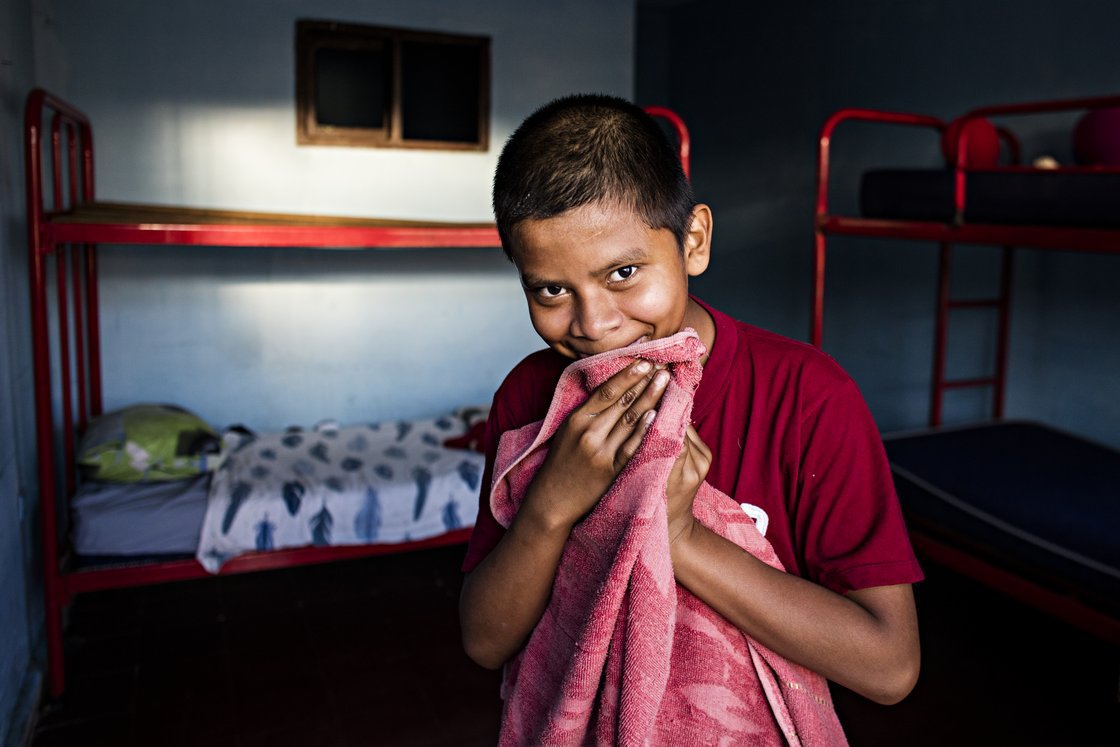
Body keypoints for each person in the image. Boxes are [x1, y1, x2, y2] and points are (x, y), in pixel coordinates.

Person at [459, 94, 922, 739]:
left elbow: (889, 666)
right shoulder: (531, 397)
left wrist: (680, 536)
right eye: (551, 290)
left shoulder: (807, 396)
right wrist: (551, 507)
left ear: (694, 240)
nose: (595, 324)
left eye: (623, 272)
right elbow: (483, 641)